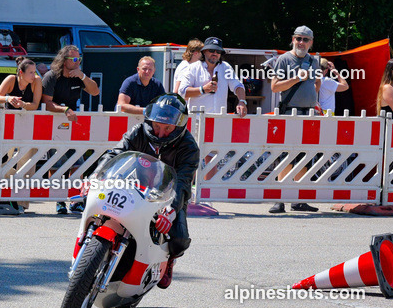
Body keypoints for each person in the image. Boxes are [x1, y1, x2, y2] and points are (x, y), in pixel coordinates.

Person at [97, 94, 199, 289]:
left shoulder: (189, 147)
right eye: (157, 126)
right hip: (134, 185)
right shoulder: (138, 132)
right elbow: (115, 153)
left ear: (178, 126)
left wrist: (171, 209)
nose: (160, 133)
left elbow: (183, 182)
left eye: (167, 128)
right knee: (103, 210)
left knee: (179, 239)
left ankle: (169, 259)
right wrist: (96, 176)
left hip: (168, 194)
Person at [268, 26, 321, 214]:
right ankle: (280, 199)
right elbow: (275, 87)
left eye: (305, 39)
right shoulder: (283, 59)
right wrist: (297, 79)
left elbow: (317, 82)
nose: (301, 42)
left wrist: (313, 99)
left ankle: (299, 200)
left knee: (304, 155)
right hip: (290, 112)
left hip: (308, 113)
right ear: (292, 40)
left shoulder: (313, 61)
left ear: (311, 42)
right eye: (298, 38)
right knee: (285, 155)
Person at [42, 45, 100, 214]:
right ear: (63, 60)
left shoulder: (78, 76)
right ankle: (58, 200)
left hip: (73, 124)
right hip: (54, 123)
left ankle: (75, 200)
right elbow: (47, 103)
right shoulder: (51, 76)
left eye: (79, 59)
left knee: (77, 162)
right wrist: (64, 109)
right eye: (74, 59)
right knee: (56, 163)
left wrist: (83, 76)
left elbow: (95, 92)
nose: (77, 62)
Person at [178, 37, 247, 116]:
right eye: (211, 50)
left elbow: (238, 86)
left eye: (218, 51)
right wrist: (203, 89)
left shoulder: (226, 67)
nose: (215, 53)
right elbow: (182, 92)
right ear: (204, 52)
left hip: (218, 119)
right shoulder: (193, 68)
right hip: (197, 119)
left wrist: (242, 101)